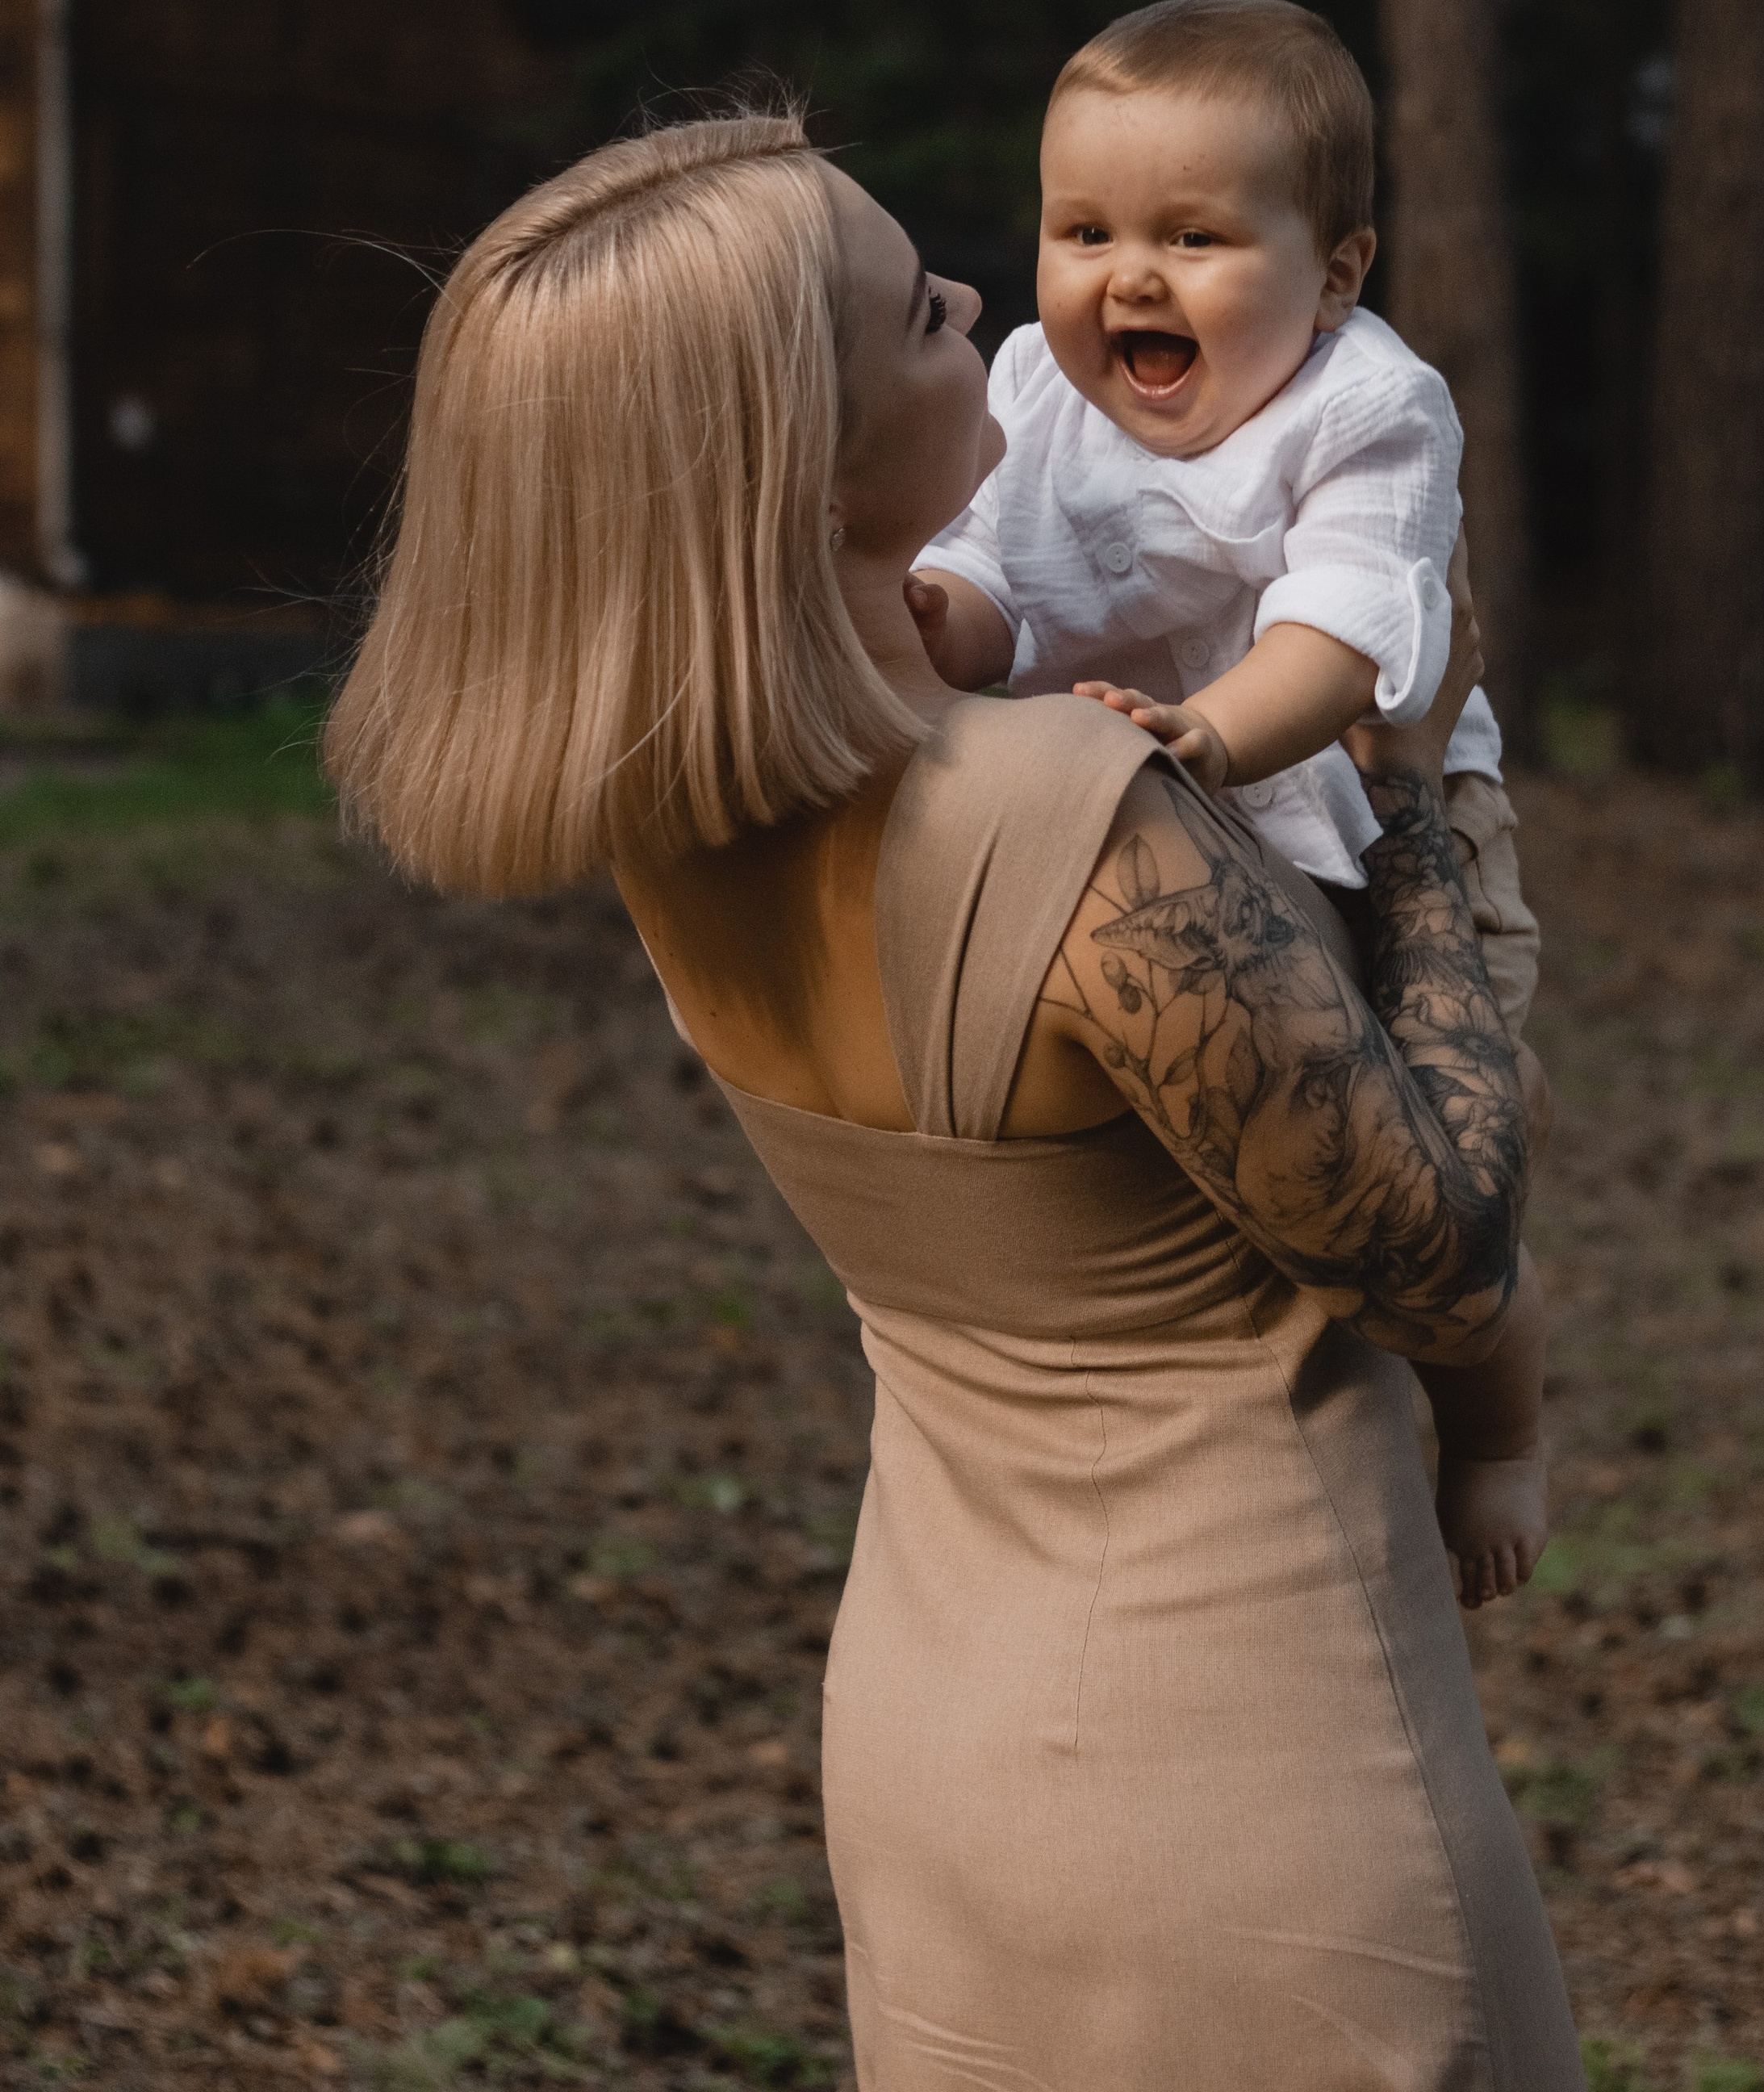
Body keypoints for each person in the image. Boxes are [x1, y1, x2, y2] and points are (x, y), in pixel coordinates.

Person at [324, 111, 1584, 2092]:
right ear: (804, 459)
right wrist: (1414, 789)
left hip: (934, 1719)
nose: (986, 309)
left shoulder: (678, 817)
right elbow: (1442, 1245)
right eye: (922, 311)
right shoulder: (1073, 826)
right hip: (1242, 1767)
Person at [909, 0, 1546, 1605]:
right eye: (1082, 230)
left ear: (1334, 271)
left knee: (1436, 1151)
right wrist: (947, 624)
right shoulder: (1034, 390)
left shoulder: (1369, 409)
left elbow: (1341, 645)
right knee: (1247, 1150)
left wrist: (1207, 733)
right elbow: (992, 566)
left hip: (1366, 808)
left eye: (1193, 237)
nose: (1126, 275)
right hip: (1158, 801)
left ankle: (1492, 1426)